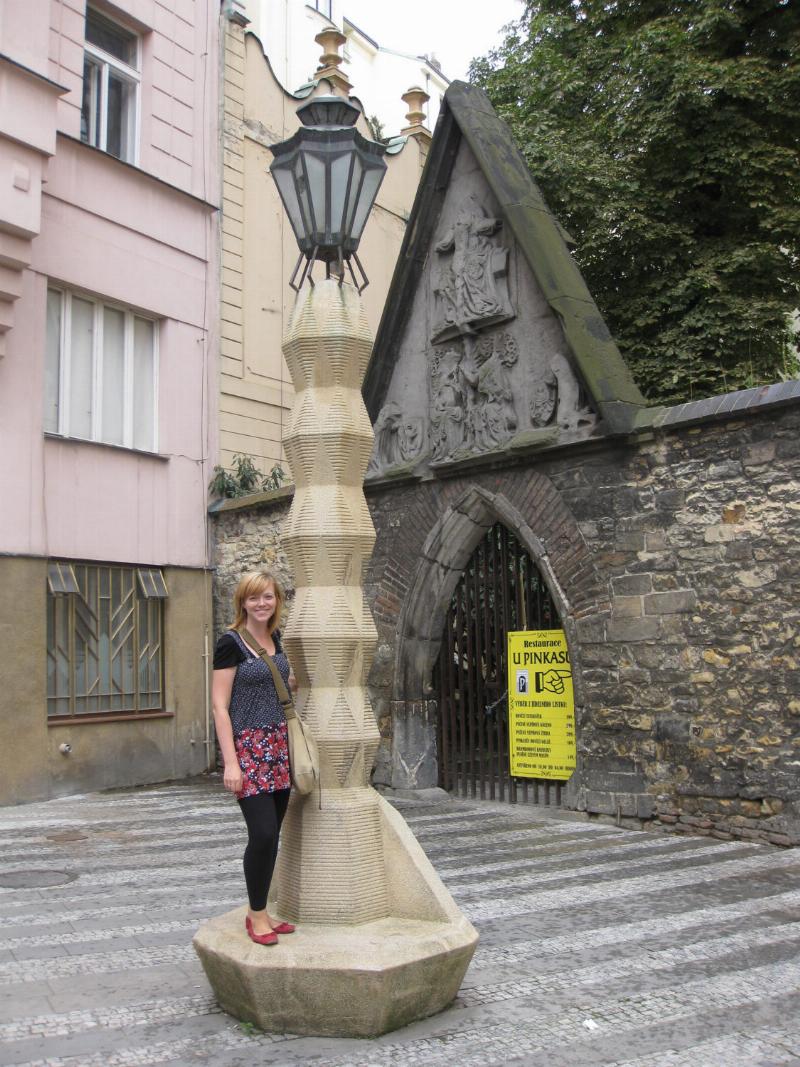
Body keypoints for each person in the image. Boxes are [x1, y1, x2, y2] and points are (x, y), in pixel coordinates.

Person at [212, 570, 296, 946]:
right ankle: (257, 916)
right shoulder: (230, 643)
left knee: (272, 835)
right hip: (249, 747)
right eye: (253, 598)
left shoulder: (275, 638)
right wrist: (231, 762)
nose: (261, 604)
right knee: (261, 834)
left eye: (268, 597)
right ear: (242, 603)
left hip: (279, 746)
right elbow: (219, 705)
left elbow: (279, 684)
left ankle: (260, 910)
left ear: (277, 600)